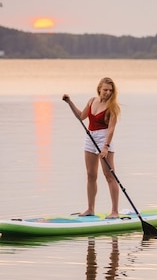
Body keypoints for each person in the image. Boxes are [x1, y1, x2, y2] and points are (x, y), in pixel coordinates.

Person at [63, 77, 121, 218]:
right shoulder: (91, 101)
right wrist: (69, 102)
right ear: (99, 88)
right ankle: (90, 209)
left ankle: (114, 211)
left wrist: (106, 147)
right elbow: (81, 117)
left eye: (110, 91)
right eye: (105, 89)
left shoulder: (113, 107)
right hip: (90, 138)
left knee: (109, 176)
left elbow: (111, 129)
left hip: (104, 139)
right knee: (90, 175)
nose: (107, 93)